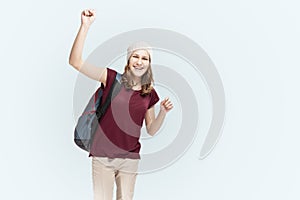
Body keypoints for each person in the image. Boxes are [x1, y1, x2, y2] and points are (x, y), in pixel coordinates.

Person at [69, 9, 173, 200]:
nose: (139, 61)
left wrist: (163, 113)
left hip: (130, 159)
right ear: (128, 59)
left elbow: (151, 129)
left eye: (145, 58)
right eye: (136, 56)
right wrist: (85, 26)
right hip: (102, 156)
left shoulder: (149, 93)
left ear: (149, 63)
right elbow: (75, 62)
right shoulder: (110, 78)